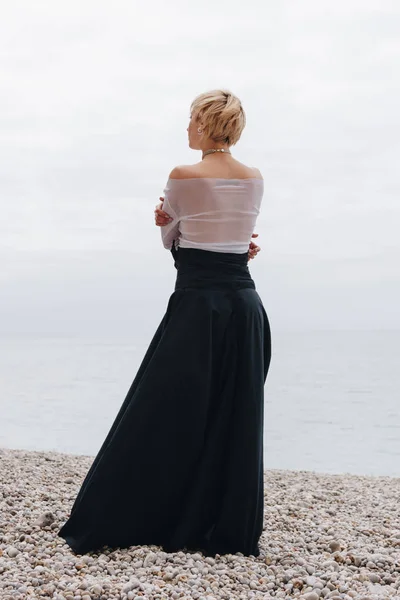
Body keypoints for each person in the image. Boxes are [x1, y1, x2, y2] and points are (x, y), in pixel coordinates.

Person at [57, 89, 272, 558]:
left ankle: (137, 514)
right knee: (233, 415)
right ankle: (219, 524)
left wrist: (163, 221)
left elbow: (175, 243)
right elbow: (237, 240)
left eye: (191, 119)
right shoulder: (255, 178)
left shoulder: (182, 174)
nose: (187, 127)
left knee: (166, 411)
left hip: (198, 306)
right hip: (245, 305)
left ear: (206, 123)